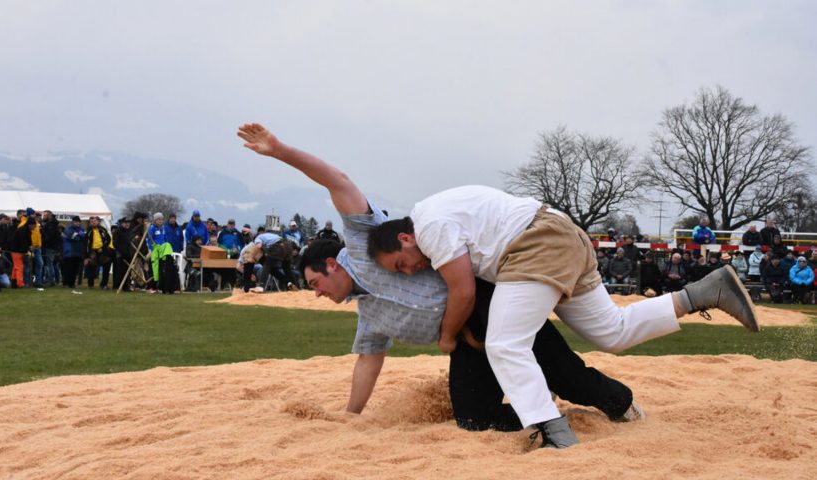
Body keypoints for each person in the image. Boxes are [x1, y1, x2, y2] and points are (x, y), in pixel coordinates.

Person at [237, 122, 646, 439]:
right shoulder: (368, 315)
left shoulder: (368, 240)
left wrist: (280, 151)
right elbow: (368, 361)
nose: (319, 294)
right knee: (472, 418)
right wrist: (351, 417)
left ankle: (620, 404)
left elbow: (337, 181)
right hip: (464, 342)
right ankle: (541, 417)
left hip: (485, 303)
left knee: (565, 373)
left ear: (332, 265)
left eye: (315, 284)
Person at [368, 186, 758, 448]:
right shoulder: (436, 212)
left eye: (402, 264)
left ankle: (552, 431)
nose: (409, 270)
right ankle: (704, 293)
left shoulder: (429, 226)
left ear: (404, 238)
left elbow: (464, 290)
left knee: (506, 343)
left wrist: (447, 336)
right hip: (562, 236)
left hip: (535, 243)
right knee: (612, 331)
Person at [85, 217, 113, 289]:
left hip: (102, 250)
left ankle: (104, 284)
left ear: (98, 222)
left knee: (106, 266)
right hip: (92, 251)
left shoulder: (103, 230)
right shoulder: (88, 231)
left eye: (95, 221)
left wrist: (103, 248)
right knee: (91, 267)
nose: (94, 222)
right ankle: (90, 285)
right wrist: (86, 256)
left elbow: (108, 240)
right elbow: (86, 244)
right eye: (92, 221)